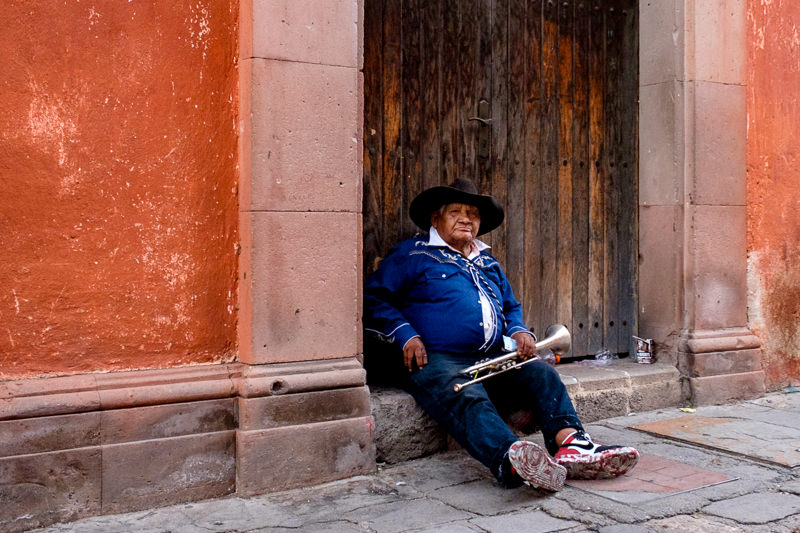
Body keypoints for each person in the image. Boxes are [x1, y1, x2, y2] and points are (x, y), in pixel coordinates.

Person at [364, 178, 639, 491]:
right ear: (435, 218)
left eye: (473, 214)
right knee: (465, 393)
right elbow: (375, 299)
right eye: (456, 212)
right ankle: (510, 460)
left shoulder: (487, 261)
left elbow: (510, 305)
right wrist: (405, 335)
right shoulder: (412, 254)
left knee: (542, 374)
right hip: (437, 358)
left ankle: (572, 446)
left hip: (491, 356)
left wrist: (518, 330)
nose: (466, 219)